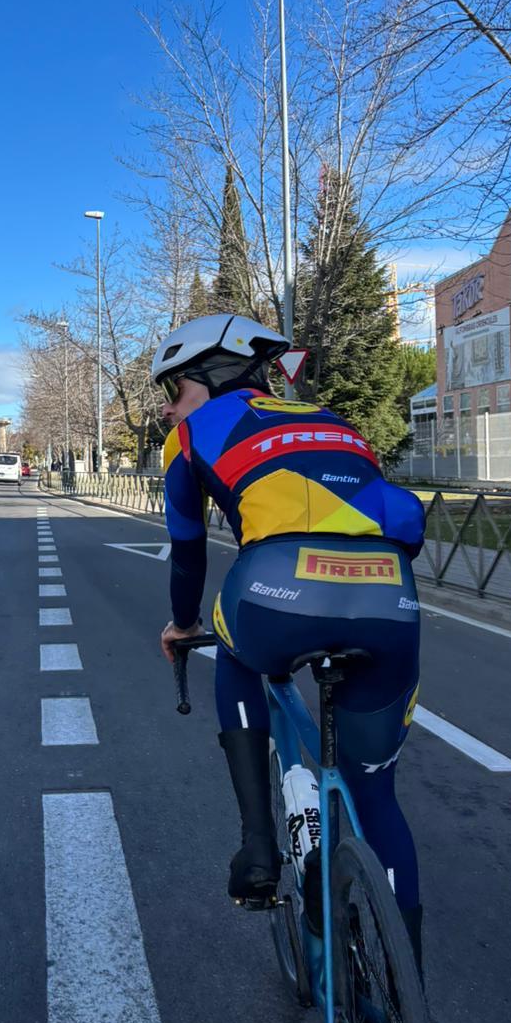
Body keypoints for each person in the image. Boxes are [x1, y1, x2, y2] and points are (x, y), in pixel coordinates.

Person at [152, 313, 431, 975]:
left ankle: (257, 847)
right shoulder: (336, 422)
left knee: (232, 651)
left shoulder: (190, 436)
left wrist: (181, 623)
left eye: (174, 389)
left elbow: (187, 553)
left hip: (277, 591)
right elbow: (398, 520)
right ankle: (408, 1002)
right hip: (390, 596)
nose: (168, 406)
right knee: (377, 797)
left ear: (207, 377)